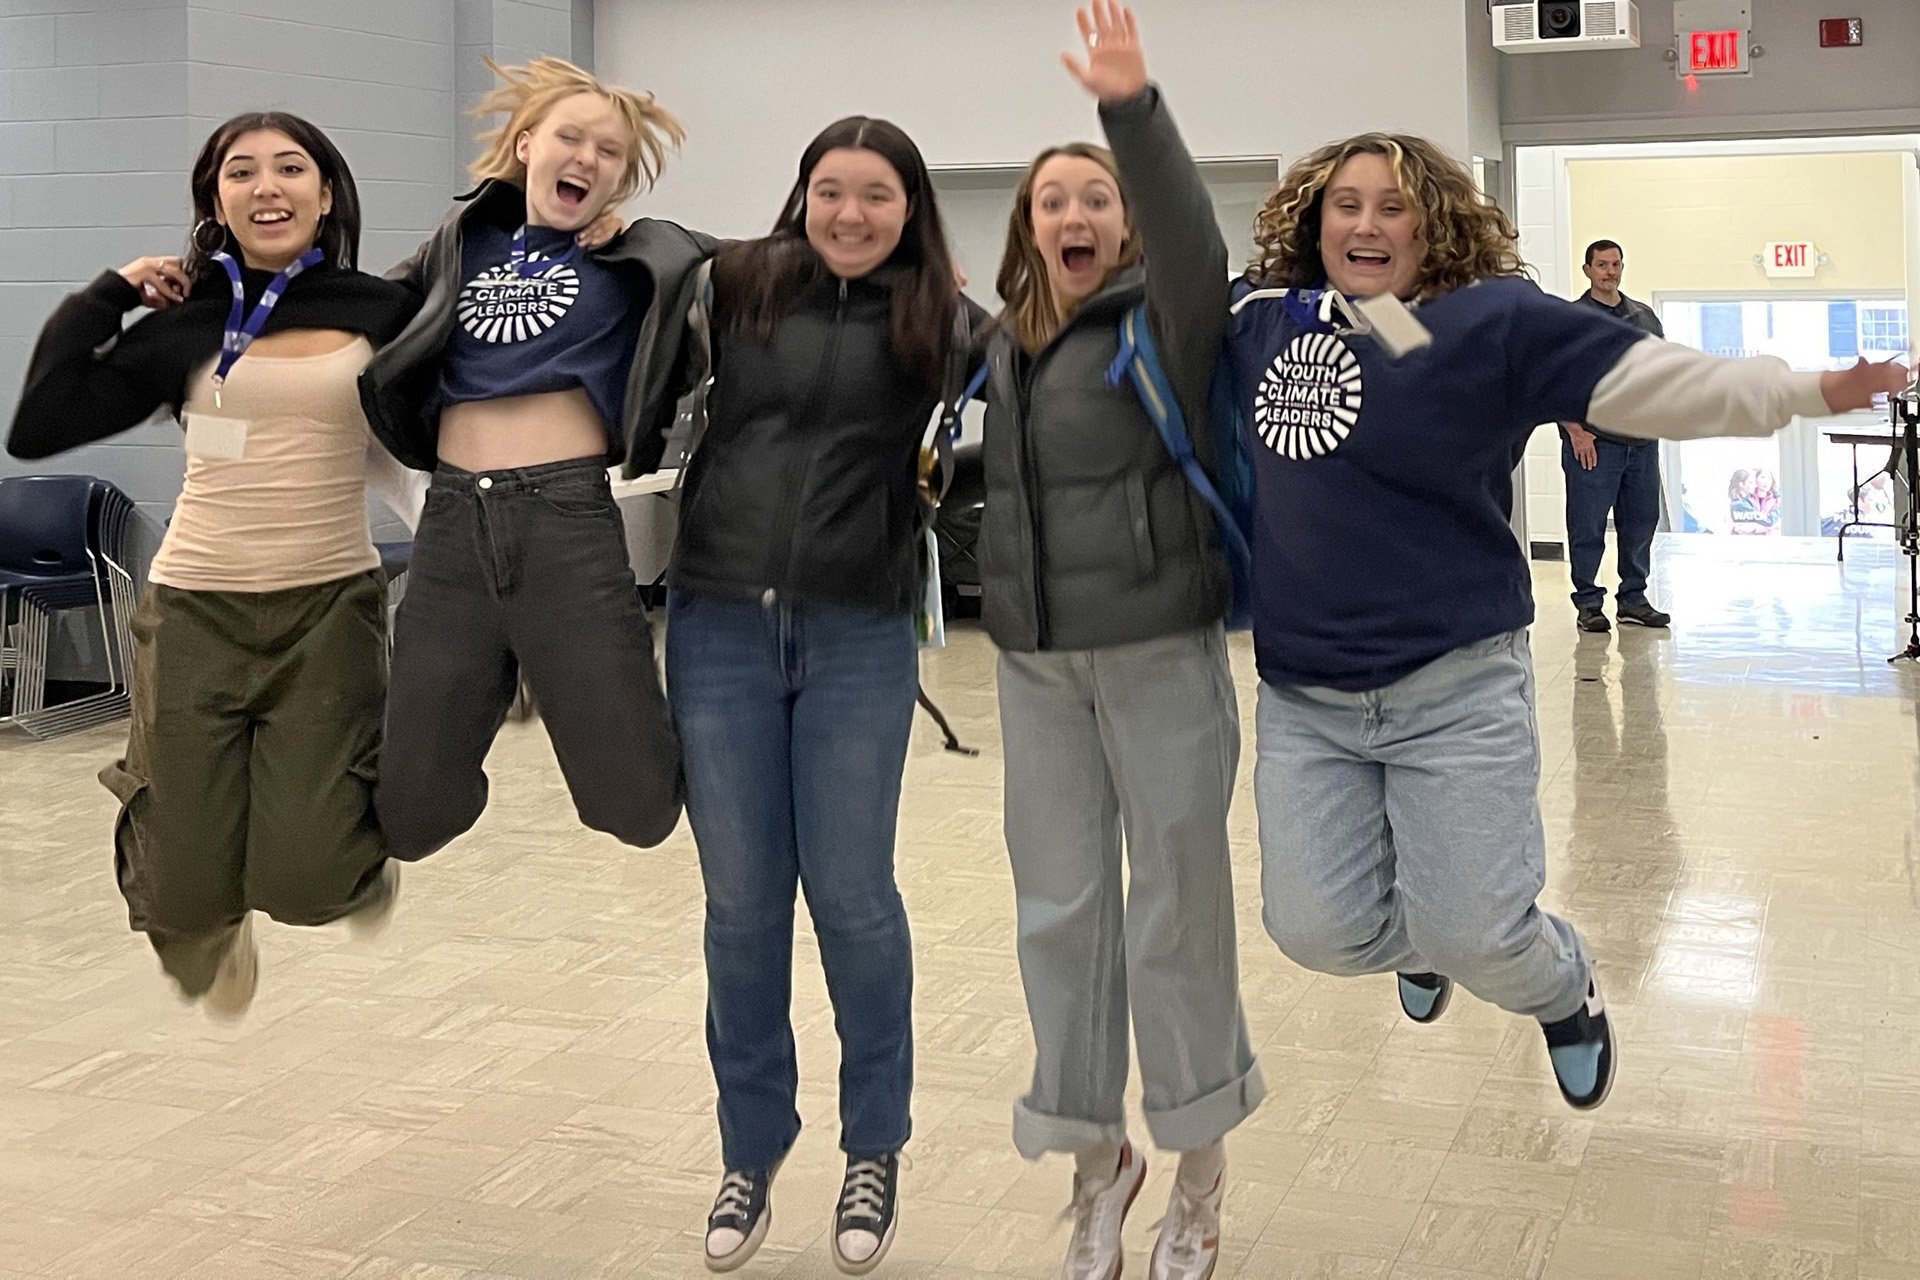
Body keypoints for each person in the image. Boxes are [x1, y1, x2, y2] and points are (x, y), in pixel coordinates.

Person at [1229, 131, 1907, 1115]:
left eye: (1392, 205)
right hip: (1305, 695)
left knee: (1487, 932)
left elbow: (1660, 382)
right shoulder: (1266, 315)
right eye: (1347, 203)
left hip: (1452, 684)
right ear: (1313, 217)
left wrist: (1801, 390)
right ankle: (1424, 942)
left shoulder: (1487, 324)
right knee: (1314, 930)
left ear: (1435, 222)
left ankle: (1564, 989)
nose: (1366, 223)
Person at [7, 112, 422, 1016]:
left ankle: (350, 874)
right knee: (185, 888)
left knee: (314, 877)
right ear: (217, 201)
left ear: (326, 193)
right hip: (193, 607)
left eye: (289, 168)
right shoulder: (189, 325)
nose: (266, 186)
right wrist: (107, 293)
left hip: (329, 609)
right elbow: (36, 424)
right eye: (241, 172)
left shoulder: (379, 312)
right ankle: (203, 928)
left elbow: (429, 445)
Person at [976, 6, 1263, 1278]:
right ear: (1028, 228)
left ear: (1127, 220)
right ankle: (1100, 1161)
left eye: (1095, 196)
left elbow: (1195, 230)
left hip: (1160, 651)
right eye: (1052, 203)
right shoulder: (999, 349)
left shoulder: (1172, 312)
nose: (1074, 214)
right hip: (1035, 665)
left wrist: (1130, 112)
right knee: (1060, 912)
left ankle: (1198, 1169)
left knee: (1177, 910)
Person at [668, 112, 969, 1277]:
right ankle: (751, 1144)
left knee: (852, 899)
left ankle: (874, 1143)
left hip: (858, 634)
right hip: (716, 626)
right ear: (802, 194)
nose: (852, 214)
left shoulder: (939, 316)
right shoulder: (734, 282)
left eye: (877, 195)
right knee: (741, 908)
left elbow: (1063, 362)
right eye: (831, 191)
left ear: (910, 206)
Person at [360, 56, 706, 863]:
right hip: (452, 525)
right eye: (570, 138)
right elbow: (359, 311)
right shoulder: (458, 244)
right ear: (525, 145)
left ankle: (557, 664)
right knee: (411, 822)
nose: (586, 158)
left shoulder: (639, 259)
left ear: (623, 176)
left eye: (609, 152)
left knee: (639, 809)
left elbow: (769, 268)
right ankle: (498, 669)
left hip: (565, 524)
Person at [1560, 239, 1670, 632]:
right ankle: (1588, 604)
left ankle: (1633, 600)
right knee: (1587, 526)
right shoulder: (1572, 319)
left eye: (1616, 264)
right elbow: (1555, 381)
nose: (1611, 272)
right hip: (1595, 443)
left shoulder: (1643, 316)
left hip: (1641, 442)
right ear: (1587, 269)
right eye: (1602, 265)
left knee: (1641, 523)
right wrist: (1575, 431)